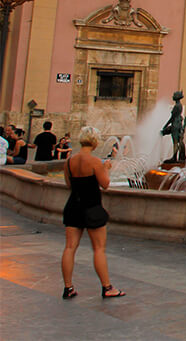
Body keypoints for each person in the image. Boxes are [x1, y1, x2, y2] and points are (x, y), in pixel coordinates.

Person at [61, 126, 125, 299]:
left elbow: (69, 185)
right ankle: (107, 287)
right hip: (92, 208)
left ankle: (68, 288)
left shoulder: (69, 161)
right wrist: (106, 168)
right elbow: (105, 184)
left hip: (73, 206)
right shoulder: (95, 162)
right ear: (95, 142)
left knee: (69, 248)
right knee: (98, 249)